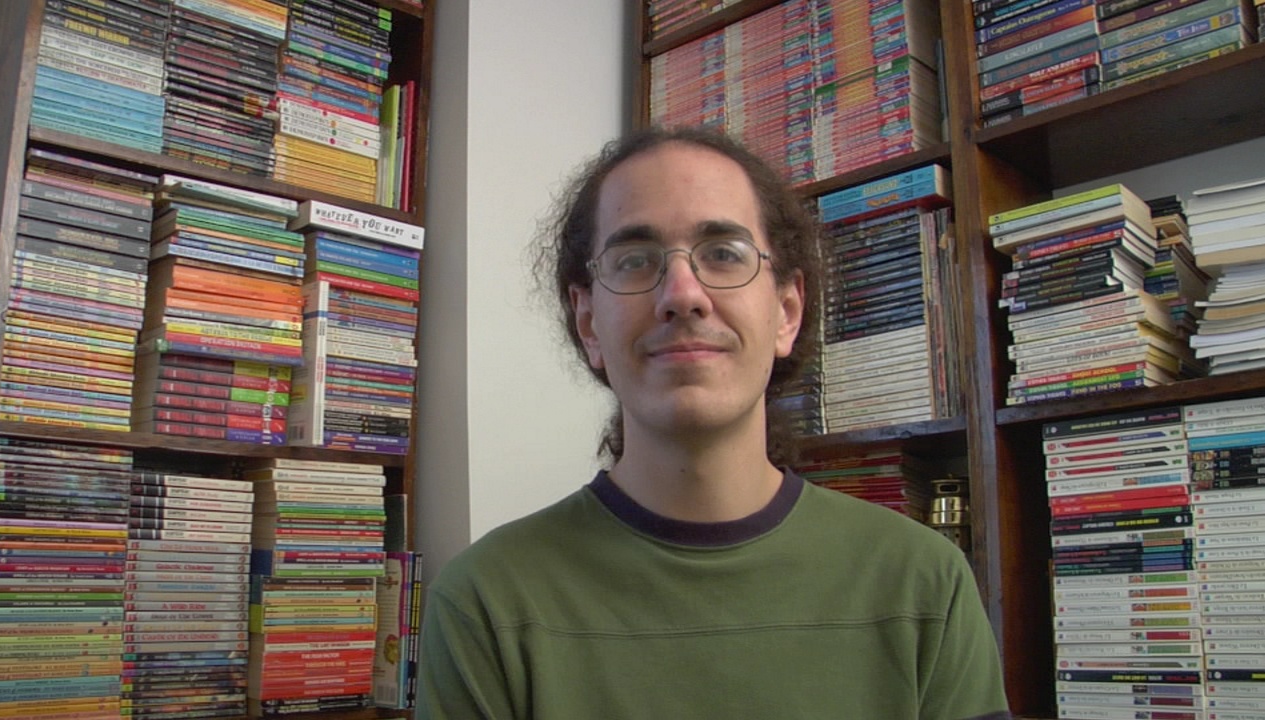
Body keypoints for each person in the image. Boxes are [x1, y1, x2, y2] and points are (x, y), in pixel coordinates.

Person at [415, 125, 1011, 719]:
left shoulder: (924, 584)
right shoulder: (484, 604)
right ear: (589, 322)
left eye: (724, 254)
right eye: (635, 260)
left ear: (786, 312)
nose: (683, 294)